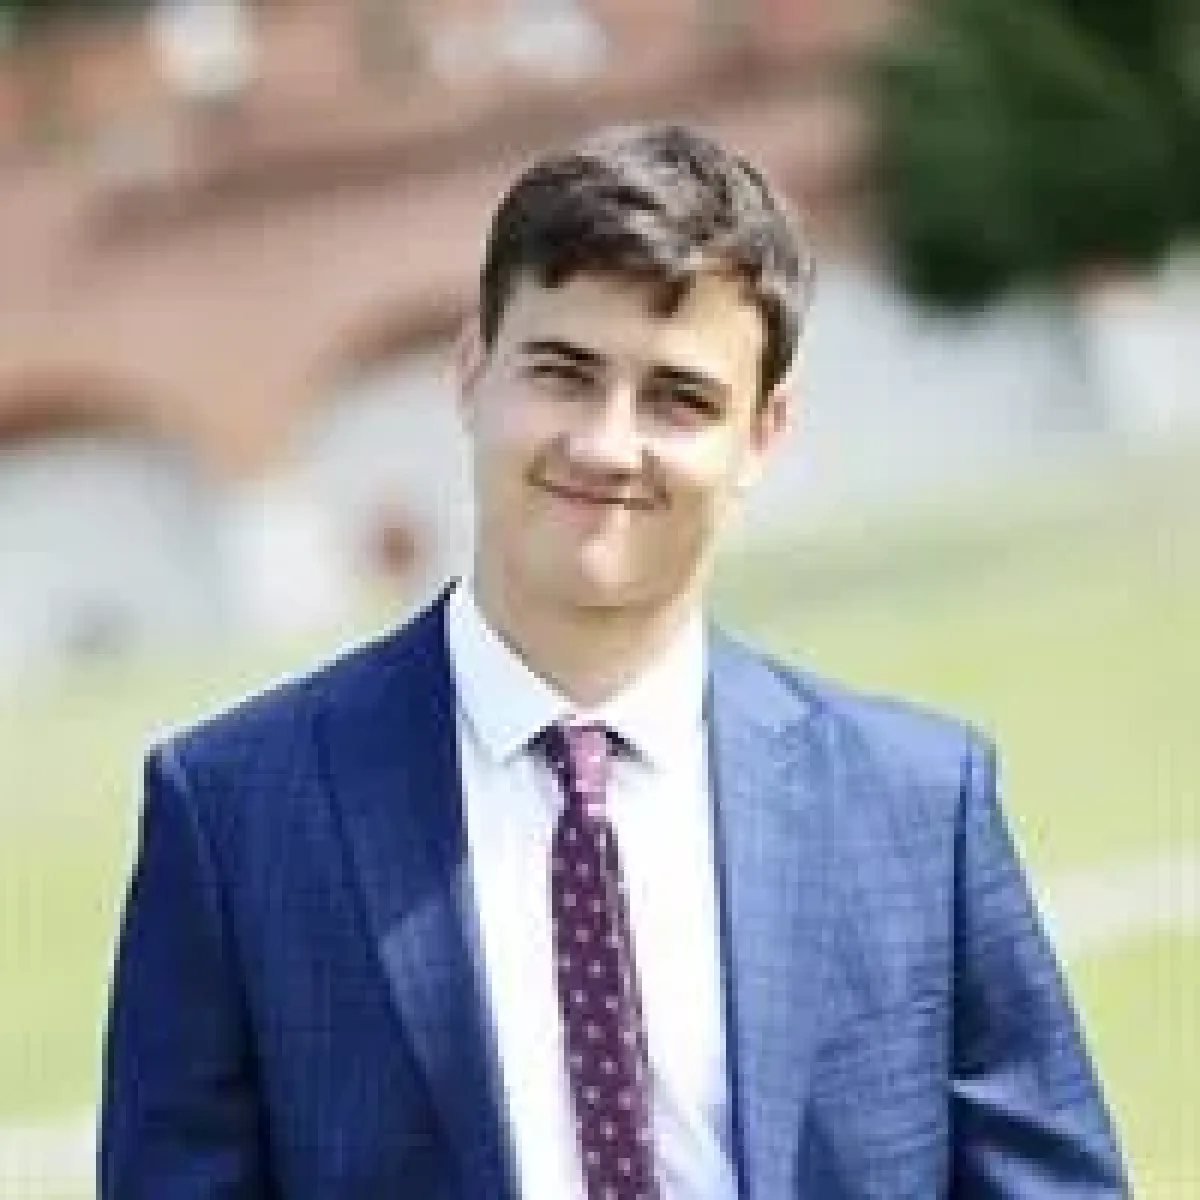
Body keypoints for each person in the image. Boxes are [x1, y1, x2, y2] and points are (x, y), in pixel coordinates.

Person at [99, 123, 1128, 1198]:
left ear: (763, 435)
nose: (605, 445)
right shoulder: (234, 815)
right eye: (564, 373)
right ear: (471, 371)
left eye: (679, 398)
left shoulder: (917, 805)